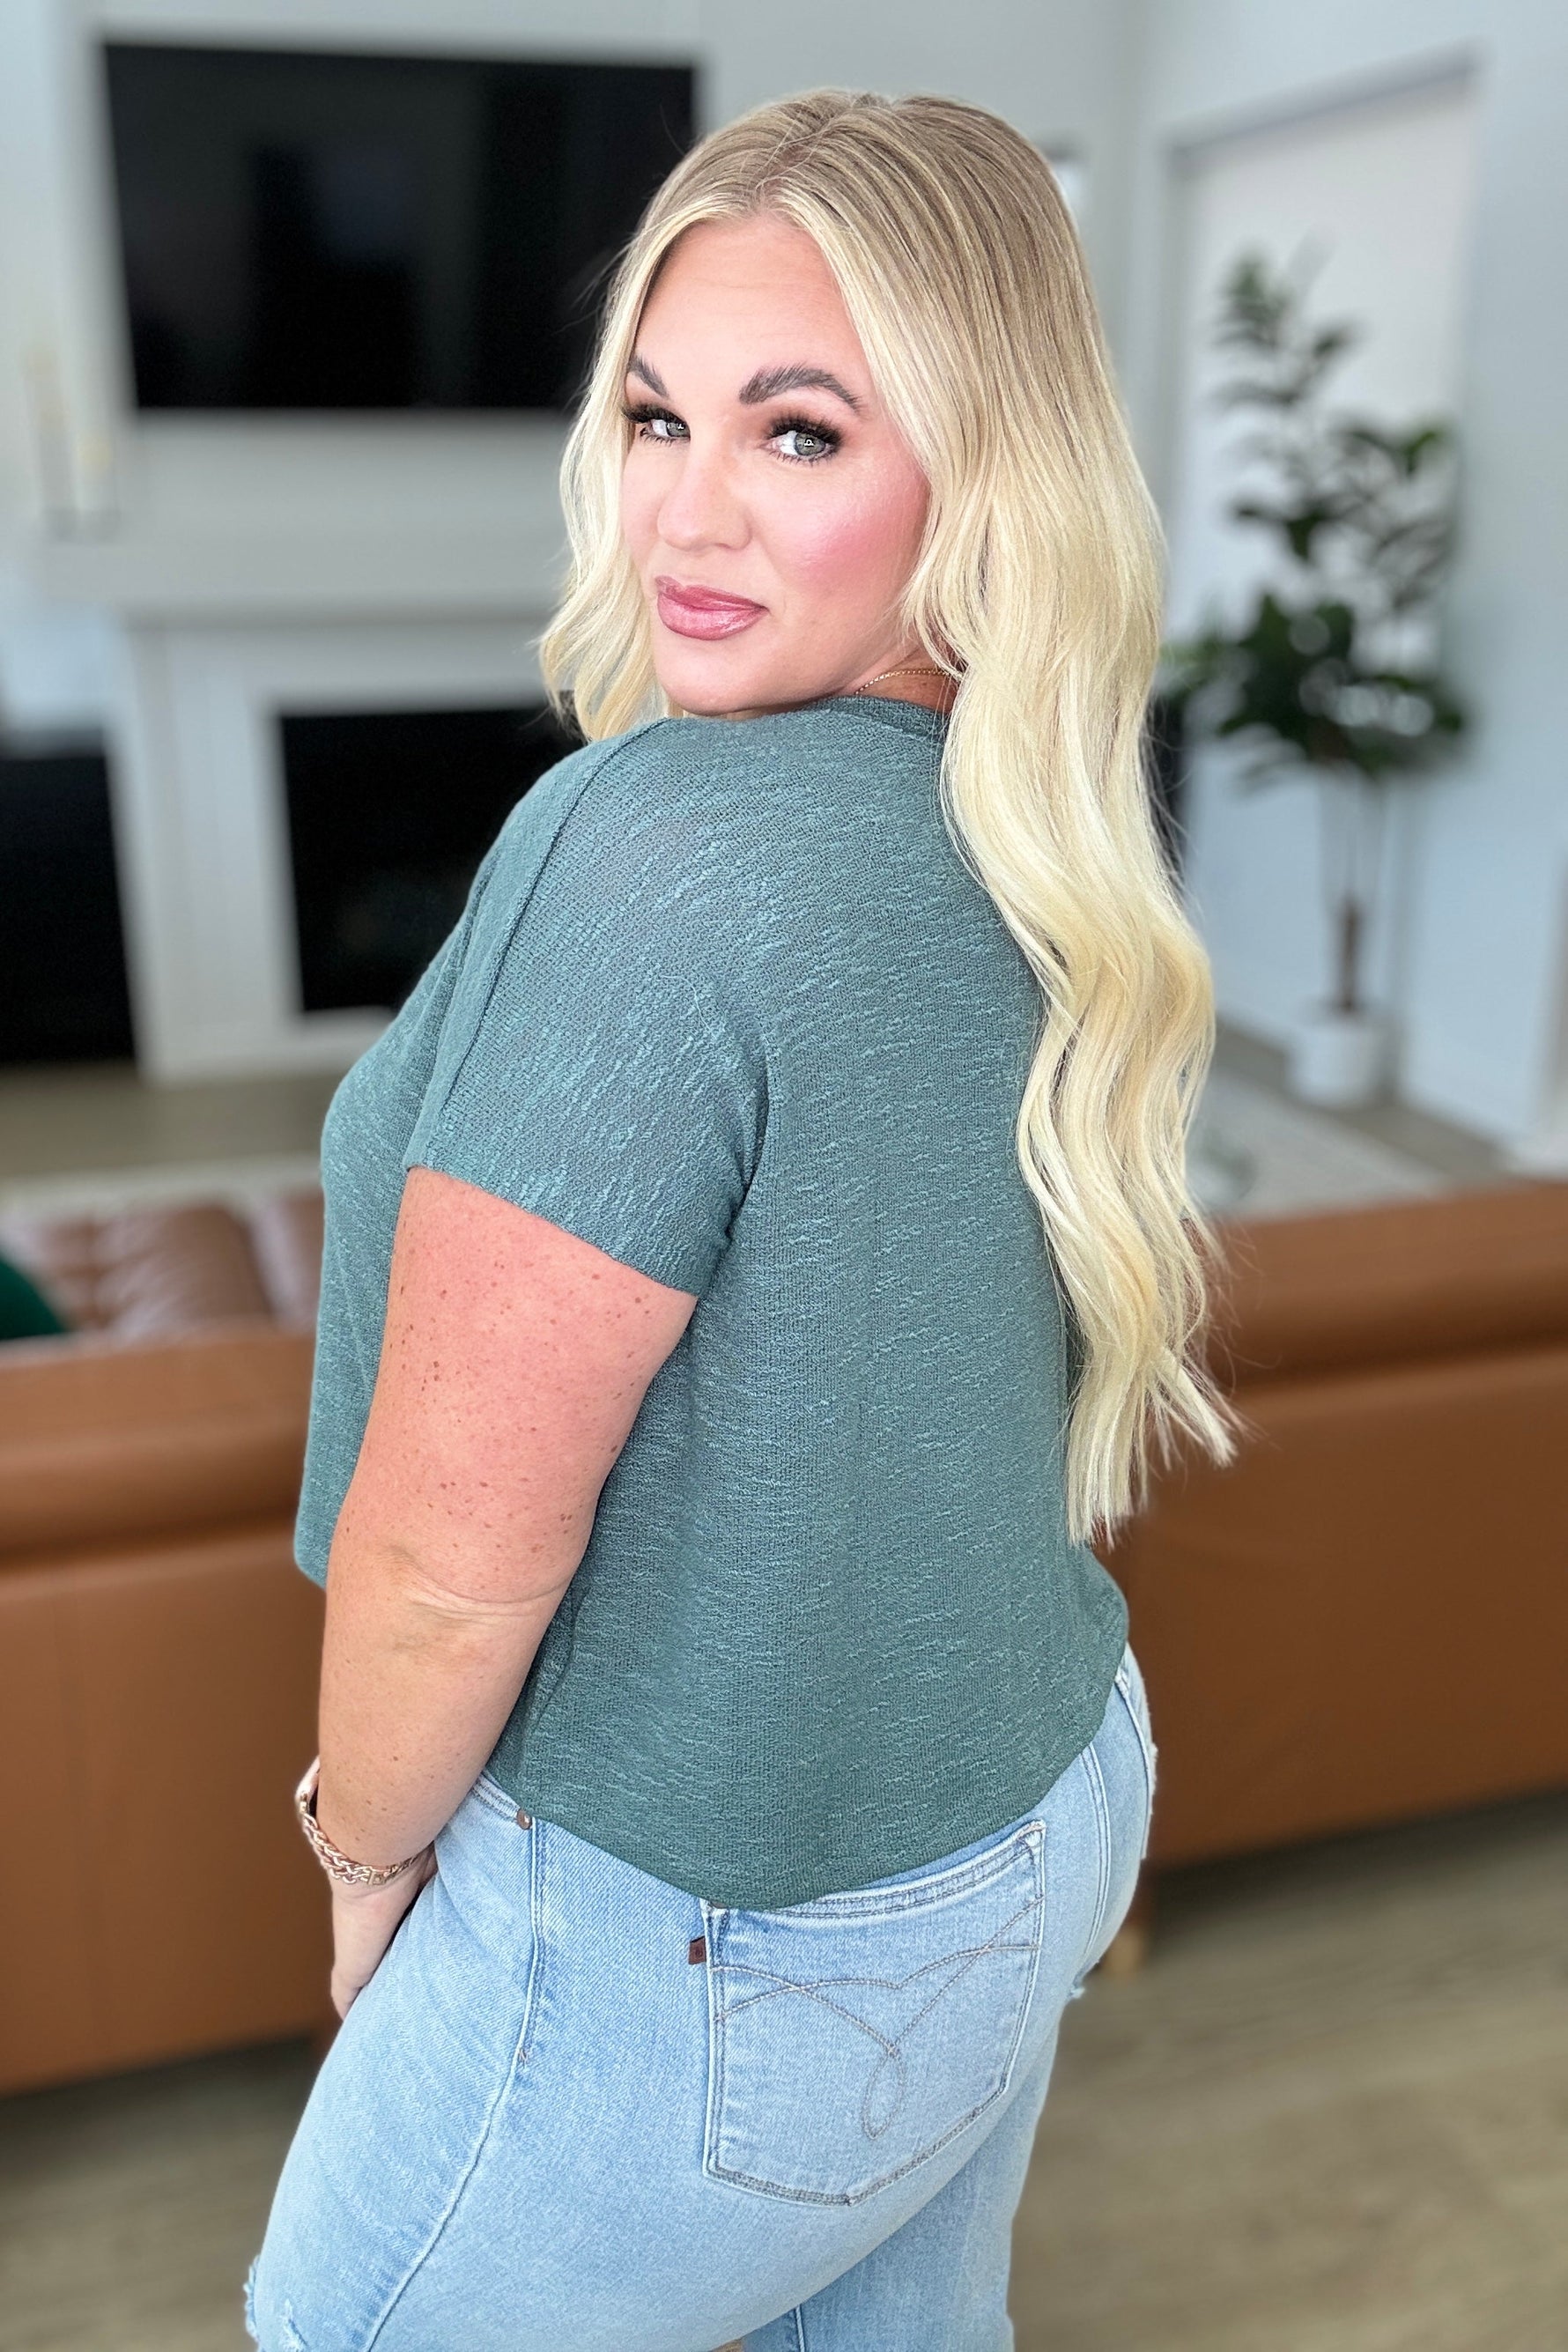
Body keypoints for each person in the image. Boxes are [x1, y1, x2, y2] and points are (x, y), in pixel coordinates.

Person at [245, 86, 1234, 2352]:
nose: (685, 510)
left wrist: (363, 1854)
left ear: (982, 465)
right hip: (1033, 1806)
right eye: (654, 415)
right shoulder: (1030, 824)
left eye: (797, 432)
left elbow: (451, 1557)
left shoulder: (655, 851)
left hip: (715, 1934)